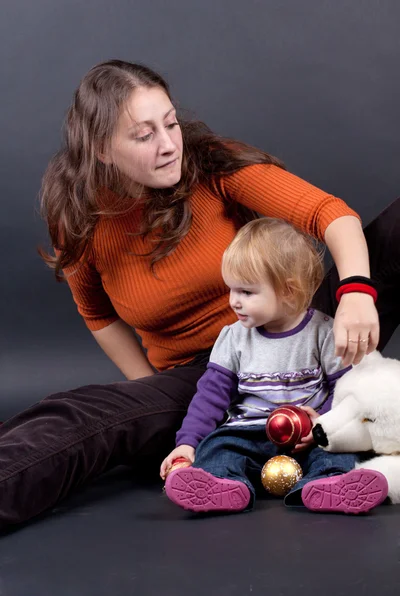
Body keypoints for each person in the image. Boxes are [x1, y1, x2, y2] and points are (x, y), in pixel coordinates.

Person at [0, 59, 398, 530]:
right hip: (202, 375)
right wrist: (153, 393)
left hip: (294, 327)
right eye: (144, 135)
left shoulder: (212, 165)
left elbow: (330, 214)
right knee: (78, 416)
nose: (169, 145)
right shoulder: (79, 218)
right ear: (102, 149)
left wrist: (355, 292)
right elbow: (97, 314)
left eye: (170, 123)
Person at [160, 218, 388, 514]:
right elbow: (209, 398)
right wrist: (187, 443)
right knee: (219, 447)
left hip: (310, 435)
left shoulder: (323, 333)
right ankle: (222, 485)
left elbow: (346, 390)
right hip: (250, 433)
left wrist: (324, 423)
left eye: (246, 292)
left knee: (340, 451)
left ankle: (329, 485)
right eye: (231, 290)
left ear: (288, 291)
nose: (234, 302)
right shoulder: (233, 338)